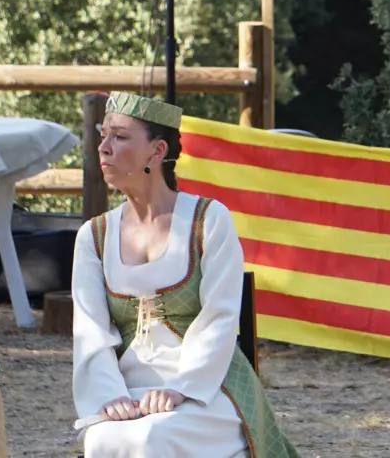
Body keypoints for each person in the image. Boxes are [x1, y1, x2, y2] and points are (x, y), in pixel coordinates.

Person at [70, 92, 299, 458]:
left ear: (157, 151)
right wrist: (108, 396)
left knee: (153, 439)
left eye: (121, 136)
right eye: (103, 136)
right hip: (126, 394)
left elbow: (220, 317)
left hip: (206, 390)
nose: (105, 148)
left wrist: (181, 388)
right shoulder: (93, 237)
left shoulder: (209, 219)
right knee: (103, 440)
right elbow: (90, 334)